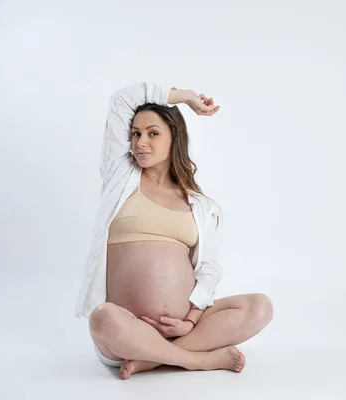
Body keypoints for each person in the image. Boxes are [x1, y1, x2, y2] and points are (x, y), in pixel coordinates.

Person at [75, 82, 274, 379]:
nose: (141, 142)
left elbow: (208, 269)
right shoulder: (120, 178)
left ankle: (155, 359)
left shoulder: (199, 204)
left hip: (184, 329)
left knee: (260, 307)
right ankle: (196, 360)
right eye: (136, 134)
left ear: (174, 139)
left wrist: (191, 321)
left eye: (153, 133)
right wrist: (186, 98)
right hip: (127, 331)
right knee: (102, 319)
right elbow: (122, 99)